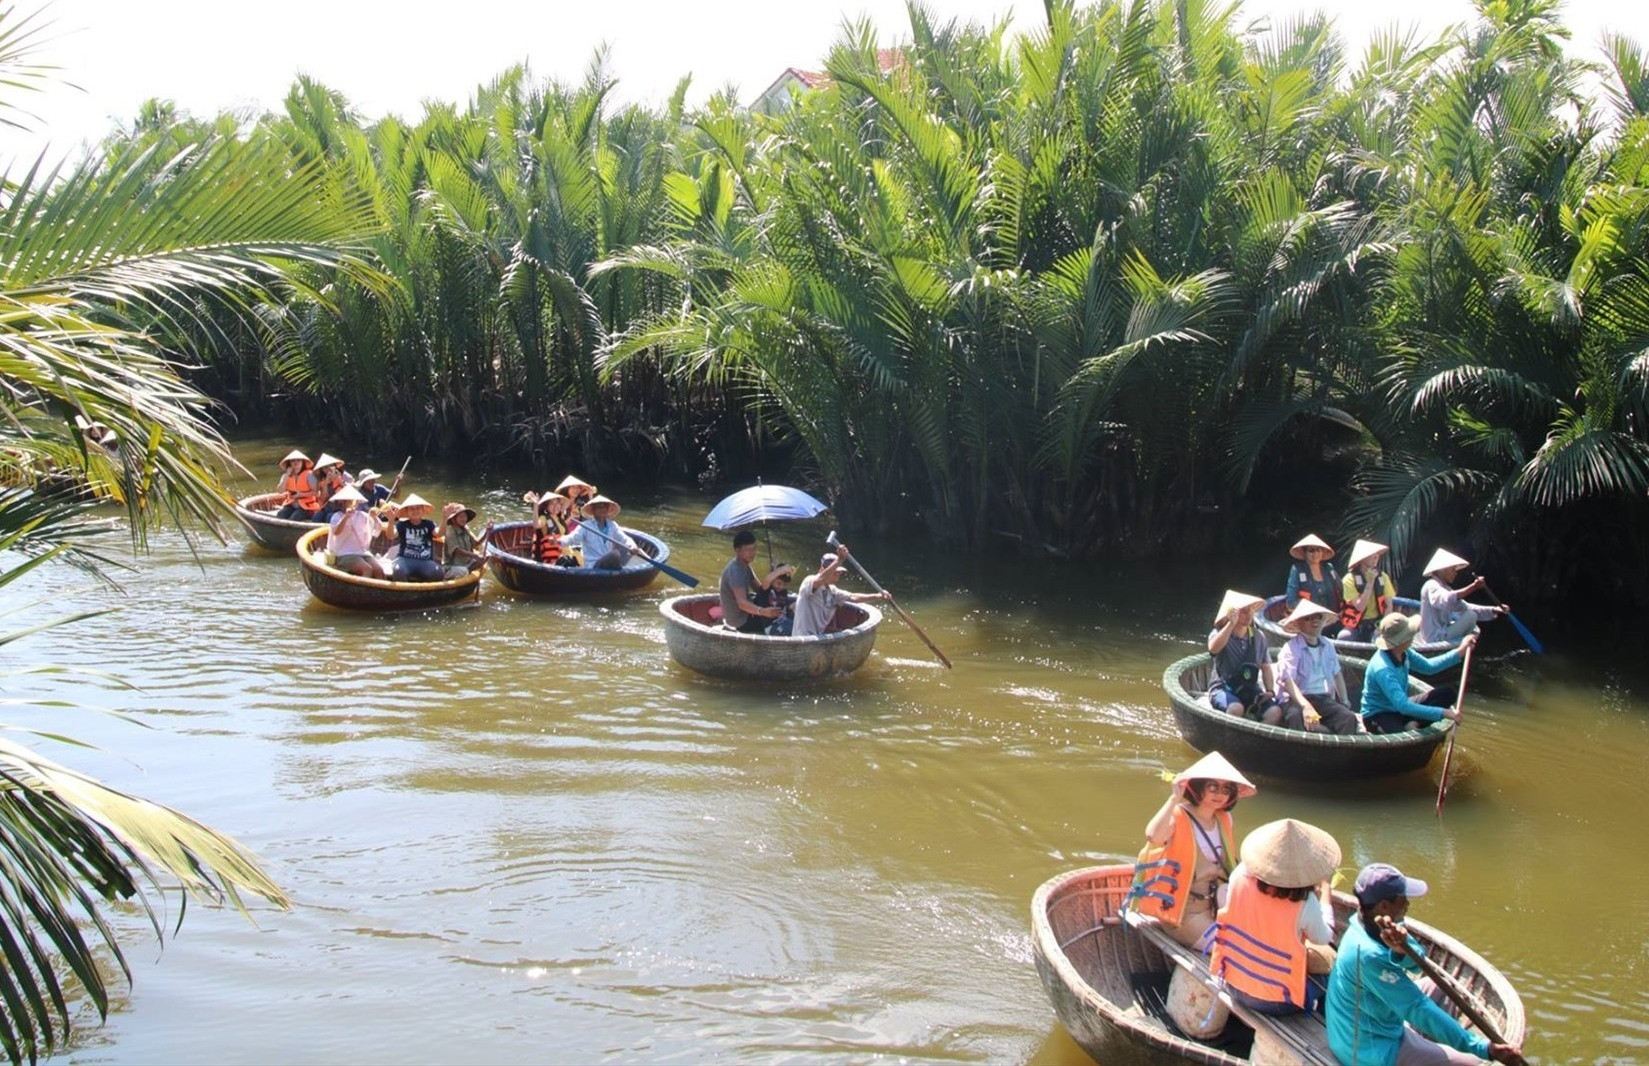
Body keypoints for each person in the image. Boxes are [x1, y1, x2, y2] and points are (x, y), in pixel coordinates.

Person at [1327, 863, 1524, 1065]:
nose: (1408, 903)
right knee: (1473, 1062)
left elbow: (1417, 964)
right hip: (1368, 1048)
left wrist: (1401, 949)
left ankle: (1431, 1049)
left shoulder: (1374, 921)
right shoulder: (1366, 955)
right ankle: (1436, 1051)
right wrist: (1483, 1049)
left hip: (1380, 1021)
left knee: (1440, 988)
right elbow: (1416, 1006)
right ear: (1384, 905)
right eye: (1403, 899)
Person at [1209, 818, 1341, 1015]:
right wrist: (1326, 893)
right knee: (1335, 974)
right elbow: (1323, 938)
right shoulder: (1305, 902)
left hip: (1231, 981)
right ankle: (1323, 1027)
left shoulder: (1238, 876)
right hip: (1276, 1002)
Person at [1127, 751, 1253, 951]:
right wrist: (1173, 799)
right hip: (1183, 912)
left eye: (1226, 789)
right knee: (1231, 949)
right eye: (1212, 787)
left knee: (1254, 941)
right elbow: (1153, 836)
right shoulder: (1178, 816)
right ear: (1198, 787)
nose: (1219, 794)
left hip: (1216, 905)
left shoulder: (1224, 819)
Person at [1361, 614, 1471, 734]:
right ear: (1401, 640)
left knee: (1447, 694)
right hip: (1378, 715)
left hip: (1399, 707)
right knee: (1400, 737)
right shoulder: (1382, 668)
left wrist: (1461, 651)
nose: (1413, 635)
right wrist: (1444, 713)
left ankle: (1414, 722)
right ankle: (1406, 725)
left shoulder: (1405, 652)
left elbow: (1429, 667)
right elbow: (1403, 705)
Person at [1273, 600, 1361, 734]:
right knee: (1295, 716)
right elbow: (1288, 682)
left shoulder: (1328, 645)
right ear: (1298, 623)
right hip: (1295, 699)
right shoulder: (1291, 648)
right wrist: (1306, 707)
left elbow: (1337, 674)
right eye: (1308, 618)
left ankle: (1340, 754)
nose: (1314, 621)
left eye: (1318, 617)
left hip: (1321, 698)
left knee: (1347, 717)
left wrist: (1344, 701)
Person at [1206, 590, 1281, 723]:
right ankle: (1231, 739)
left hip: (1249, 688)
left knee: (1275, 712)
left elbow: (1266, 667)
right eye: (1243, 611)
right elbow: (1213, 649)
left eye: (1250, 610)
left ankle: (1257, 741)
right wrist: (1230, 624)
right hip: (1222, 688)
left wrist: (1270, 691)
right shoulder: (1218, 633)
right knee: (1236, 708)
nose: (1248, 614)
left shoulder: (1259, 636)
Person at [791, 547, 889, 638]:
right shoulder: (809, 581)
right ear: (822, 570)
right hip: (803, 637)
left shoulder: (832, 591)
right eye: (834, 572)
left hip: (817, 638)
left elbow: (853, 597)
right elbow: (820, 580)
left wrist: (878, 596)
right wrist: (839, 560)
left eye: (839, 573)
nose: (837, 575)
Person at [1419, 549, 1507, 645]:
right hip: (1435, 637)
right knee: (1471, 616)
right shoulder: (1431, 585)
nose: (1456, 573)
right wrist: (1473, 587)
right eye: (1453, 569)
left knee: (1470, 613)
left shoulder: (1446, 588)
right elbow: (1446, 600)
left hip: (1441, 633)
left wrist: (1493, 610)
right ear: (1443, 570)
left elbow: (1466, 607)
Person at [718, 530, 793, 633]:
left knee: (782, 605)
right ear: (737, 551)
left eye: (754, 549)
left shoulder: (745, 565)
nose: (753, 553)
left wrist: (774, 577)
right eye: (748, 550)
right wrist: (763, 612)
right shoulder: (736, 571)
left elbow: (760, 589)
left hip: (748, 613)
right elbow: (742, 603)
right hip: (740, 621)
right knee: (782, 620)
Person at [1340, 539, 1398, 643]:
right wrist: (1370, 582)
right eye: (1372, 554)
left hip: (1377, 621)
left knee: (1380, 638)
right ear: (1362, 558)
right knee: (1343, 637)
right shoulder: (1349, 579)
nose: (1376, 557)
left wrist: (1382, 627)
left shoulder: (1383, 577)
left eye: (1377, 554)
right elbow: (1360, 607)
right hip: (1357, 624)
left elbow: (1389, 605)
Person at [557, 495, 635, 569]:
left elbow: (624, 539)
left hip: (608, 563)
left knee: (624, 552)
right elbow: (572, 538)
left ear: (608, 510)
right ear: (593, 510)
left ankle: (617, 575)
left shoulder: (612, 525)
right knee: (614, 555)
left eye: (605, 507)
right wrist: (559, 541)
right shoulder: (585, 526)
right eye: (599, 507)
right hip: (593, 566)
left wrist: (632, 546)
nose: (602, 509)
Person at [323, 485, 385, 578]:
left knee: (379, 570)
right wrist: (346, 517)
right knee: (367, 569)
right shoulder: (337, 516)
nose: (353, 504)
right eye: (349, 501)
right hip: (343, 553)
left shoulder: (362, 516)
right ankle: (363, 591)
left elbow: (376, 529)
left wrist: (375, 517)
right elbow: (336, 532)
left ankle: (380, 591)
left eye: (354, 501)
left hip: (362, 552)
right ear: (342, 503)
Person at [390, 494, 444, 582]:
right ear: (407, 511)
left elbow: (439, 534)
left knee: (438, 573)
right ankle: (404, 594)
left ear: (422, 510)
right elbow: (391, 536)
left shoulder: (429, 524)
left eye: (418, 508)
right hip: (405, 559)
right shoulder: (401, 525)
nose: (415, 511)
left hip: (425, 561)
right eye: (411, 508)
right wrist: (391, 521)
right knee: (398, 571)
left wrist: (444, 519)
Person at [1284, 534, 1340, 620]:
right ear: (1305, 553)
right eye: (1311, 550)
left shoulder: (1329, 568)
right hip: (1309, 620)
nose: (1315, 553)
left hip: (1332, 617)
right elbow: (1291, 601)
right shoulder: (1297, 569)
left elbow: (1340, 591)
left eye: (1318, 550)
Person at [441, 502, 492, 577]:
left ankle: (468, 571)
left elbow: (476, 543)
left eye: (464, 516)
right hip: (452, 566)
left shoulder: (466, 528)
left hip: (466, 562)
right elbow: (456, 551)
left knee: (487, 555)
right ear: (454, 519)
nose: (463, 519)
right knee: (464, 571)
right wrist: (474, 555)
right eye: (460, 517)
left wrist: (487, 531)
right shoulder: (450, 531)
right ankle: (461, 573)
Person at [273, 450, 321, 521]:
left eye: (298, 460)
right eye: (293, 461)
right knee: (280, 515)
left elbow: (316, 493)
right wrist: (287, 475)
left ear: (302, 462)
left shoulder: (309, 475)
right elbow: (280, 491)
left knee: (294, 517)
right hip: (291, 505)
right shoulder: (285, 476)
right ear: (290, 463)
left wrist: (300, 495)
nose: (296, 462)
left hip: (307, 507)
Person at [755, 566, 795, 636]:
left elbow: (783, 608)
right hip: (771, 626)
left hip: (783, 620)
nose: (781, 587)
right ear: (773, 580)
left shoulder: (783, 591)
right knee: (793, 629)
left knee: (798, 625)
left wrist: (790, 607)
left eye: (785, 585)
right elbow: (767, 580)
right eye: (778, 583)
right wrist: (782, 570)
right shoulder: (766, 589)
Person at [312, 453, 349, 519]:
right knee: (316, 518)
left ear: (335, 466)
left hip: (340, 506)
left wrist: (339, 481)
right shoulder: (322, 481)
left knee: (329, 517)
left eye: (330, 466)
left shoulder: (344, 475)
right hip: (328, 506)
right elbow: (323, 498)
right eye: (325, 467)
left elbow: (352, 491)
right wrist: (326, 483)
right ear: (322, 470)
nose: (329, 469)